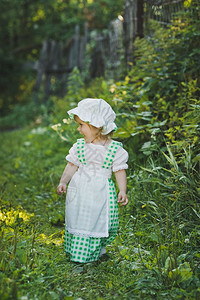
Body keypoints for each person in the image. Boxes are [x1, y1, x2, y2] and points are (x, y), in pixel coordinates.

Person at [57, 98, 128, 263]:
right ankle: (77, 251)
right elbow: (71, 165)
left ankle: (97, 250)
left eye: (81, 125)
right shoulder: (79, 146)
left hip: (100, 192)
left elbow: (119, 170)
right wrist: (63, 181)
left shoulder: (114, 149)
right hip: (80, 191)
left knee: (97, 219)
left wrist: (122, 190)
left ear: (97, 126)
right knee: (79, 218)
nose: (78, 129)